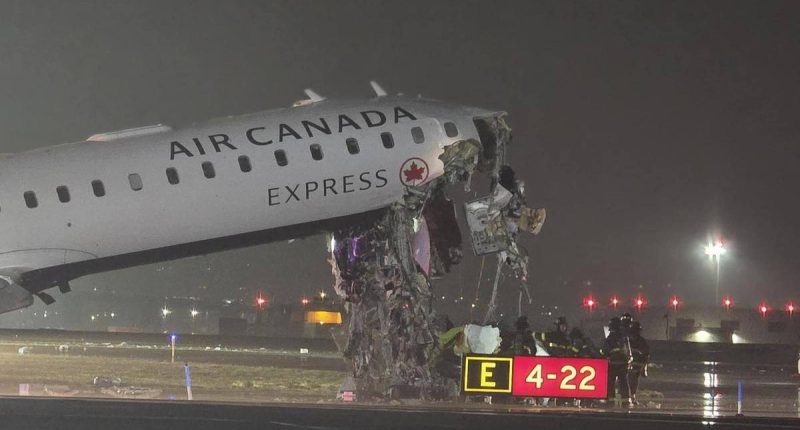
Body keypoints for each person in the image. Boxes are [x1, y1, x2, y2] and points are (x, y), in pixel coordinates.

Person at [602, 317, 631, 406]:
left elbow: (605, 351)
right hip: (623, 364)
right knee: (623, 382)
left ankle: (610, 400)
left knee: (611, 382)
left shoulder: (609, 338)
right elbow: (628, 351)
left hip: (613, 364)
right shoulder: (624, 337)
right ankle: (625, 401)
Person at [627, 321, 650, 406]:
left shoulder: (641, 341)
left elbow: (646, 354)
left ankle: (632, 396)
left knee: (633, 380)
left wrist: (644, 367)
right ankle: (628, 397)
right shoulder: (627, 340)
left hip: (637, 364)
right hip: (628, 364)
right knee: (629, 381)